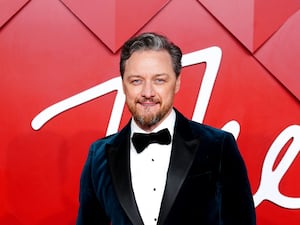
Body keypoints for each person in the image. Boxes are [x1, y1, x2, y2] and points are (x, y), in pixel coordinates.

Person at [76, 32, 256, 225]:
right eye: (136, 80)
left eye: (159, 80)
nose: (147, 93)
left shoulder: (218, 146)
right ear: (123, 85)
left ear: (177, 82)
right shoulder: (99, 155)